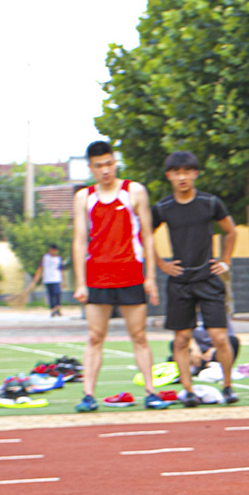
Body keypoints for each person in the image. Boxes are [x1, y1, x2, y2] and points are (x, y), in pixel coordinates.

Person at [70, 140, 167, 412]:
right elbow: (79, 240)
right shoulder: (84, 197)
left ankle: (150, 391)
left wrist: (150, 278)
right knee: (94, 336)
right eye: (99, 166)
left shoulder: (133, 191)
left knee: (139, 335)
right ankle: (88, 395)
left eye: (110, 164)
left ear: (116, 163)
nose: (105, 170)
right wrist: (80, 282)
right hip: (97, 276)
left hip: (130, 273)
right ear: (90, 167)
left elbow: (148, 236)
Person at [153, 150, 240, 406]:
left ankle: (227, 386)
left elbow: (231, 231)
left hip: (208, 278)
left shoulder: (210, 203)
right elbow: (143, 235)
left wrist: (225, 261)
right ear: (169, 176)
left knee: (220, 337)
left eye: (187, 172)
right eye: (177, 173)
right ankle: (188, 391)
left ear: (195, 174)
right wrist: (161, 264)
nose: (182, 177)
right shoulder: (163, 207)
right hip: (179, 281)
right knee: (180, 339)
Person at [39, 244, 65, 317]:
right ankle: (53, 310)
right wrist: (38, 277)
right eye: (51, 250)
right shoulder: (45, 258)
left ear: (56, 251)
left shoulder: (59, 258)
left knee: (57, 294)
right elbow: (40, 267)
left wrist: (64, 280)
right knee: (51, 295)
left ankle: (58, 308)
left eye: (54, 250)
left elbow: (62, 270)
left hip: (56, 279)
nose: (52, 251)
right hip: (48, 279)